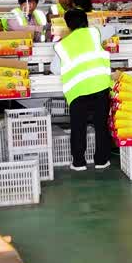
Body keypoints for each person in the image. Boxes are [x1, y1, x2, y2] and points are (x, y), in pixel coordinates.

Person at [52, 9, 113, 171]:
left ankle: (79, 163)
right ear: (86, 21)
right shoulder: (95, 33)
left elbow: (54, 69)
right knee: (101, 125)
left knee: (78, 127)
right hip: (100, 86)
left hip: (77, 90)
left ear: (68, 25)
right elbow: (112, 29)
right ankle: (101, 160)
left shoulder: (61, 45)